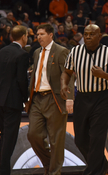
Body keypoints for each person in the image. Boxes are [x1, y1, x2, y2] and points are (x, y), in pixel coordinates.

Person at [61, 24, 108, 175]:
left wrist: (104, 75)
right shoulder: (75, 51)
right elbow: (67, 71)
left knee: (96, 137)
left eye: (91, 34)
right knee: (80, 140)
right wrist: (63, 84)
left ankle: (93, 171)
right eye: (86, 34)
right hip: (82, 98)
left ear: (99, 36)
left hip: (102, 98)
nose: (87, 37)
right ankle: (101, 164)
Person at [26, 24, 74, 175]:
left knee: (56, 140)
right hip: (37, 98)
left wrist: (70, 98)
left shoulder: (61, 51)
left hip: (55, 98)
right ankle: (48, 163)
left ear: (50, 35)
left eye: (41, 34)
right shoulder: (36, 52)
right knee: (33, 135)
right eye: (37, 34)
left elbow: (69, 75)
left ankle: (54, 172)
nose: (38, 37)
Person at [0, 25, 29, 175]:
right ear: (24, 36)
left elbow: (2, 74)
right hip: (12, 101)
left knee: (4, 135)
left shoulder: (1, 51)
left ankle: (3, 169)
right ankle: (4, 170)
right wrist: (26, 99)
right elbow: (21, 80)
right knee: (10, 137)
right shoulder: (22, 54)